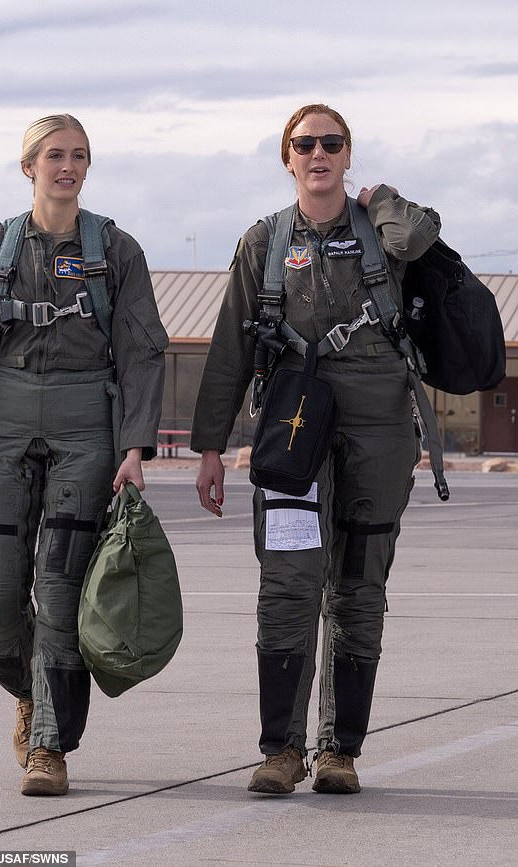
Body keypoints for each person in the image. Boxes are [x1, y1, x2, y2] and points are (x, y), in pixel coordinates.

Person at [191, 103, 440, 795]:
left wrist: (381, 200)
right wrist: (210, 447)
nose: (318, 153)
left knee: (359, 587)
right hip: (293, 428)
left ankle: (340, 750)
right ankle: (280, 750)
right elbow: (226, 353)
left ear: (348, 153)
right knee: (289, 583)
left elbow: (422, 234)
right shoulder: (265, 241)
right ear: (287, 156)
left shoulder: (383, 233)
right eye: (305, 144)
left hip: (378, 429)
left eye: (332, 142)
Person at [0, 114, 168, 797]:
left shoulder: (117, 251)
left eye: (79, 155)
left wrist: (134, 446)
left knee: (59, 591)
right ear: (28, 165)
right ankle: (31, 689)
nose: (68, 166)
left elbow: (144, 351)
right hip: (5, 427)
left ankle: (49, 746)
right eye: (54, 155)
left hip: (86, 426)